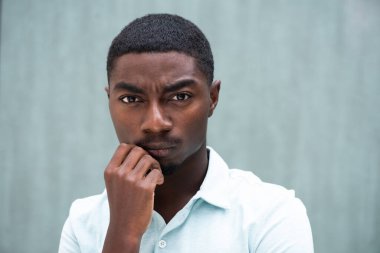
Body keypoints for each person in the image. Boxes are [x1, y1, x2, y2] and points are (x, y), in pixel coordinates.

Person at [58, 13, 313, 253]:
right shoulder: (83, 222)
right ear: (109, 101)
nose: (155, 123)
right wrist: (123, 233)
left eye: (180, 96)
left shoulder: (271, 214)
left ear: (212, 98)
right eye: (131, 99)